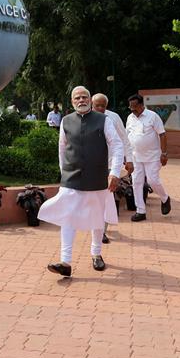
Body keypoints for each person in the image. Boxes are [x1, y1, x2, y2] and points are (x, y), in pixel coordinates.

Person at [38, 86, 122, 277]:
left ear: (90, 100)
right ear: (72, 101)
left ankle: (96, 253)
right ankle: (65, 262)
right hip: (71, 177)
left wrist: (115, 172)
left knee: (97, 216)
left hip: (98, 176)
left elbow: (117, 145)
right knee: (68, 215)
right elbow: (62, 148)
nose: (81, 100)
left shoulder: (104, 120)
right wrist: (64, 173)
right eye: (77, 98)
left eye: (84, 97)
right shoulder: (66, 121)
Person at [92, 93, 134, 244]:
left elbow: (124, 139)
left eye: (104, 106)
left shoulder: (113, 118)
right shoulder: (84, 118)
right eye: (98, 105)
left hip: (110, 166)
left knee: (106, 199)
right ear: (92, 105)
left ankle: (101, 231)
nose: (101, 108)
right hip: (91, 167)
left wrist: (129, 159)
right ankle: (96, 227)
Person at [125, 94, 170, 221]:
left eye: (134, 107)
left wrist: (164, 153)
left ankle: (165, 199)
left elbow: (162, 134)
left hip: (153, 156)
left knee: (152, 180)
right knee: (137, 182)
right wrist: (126, 156)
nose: (132, 109)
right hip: (135, 157)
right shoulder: (130, 118)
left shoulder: (153, 116)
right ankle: (141, 211)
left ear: (141, 105)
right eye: (130, 107)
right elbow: (127, 137)